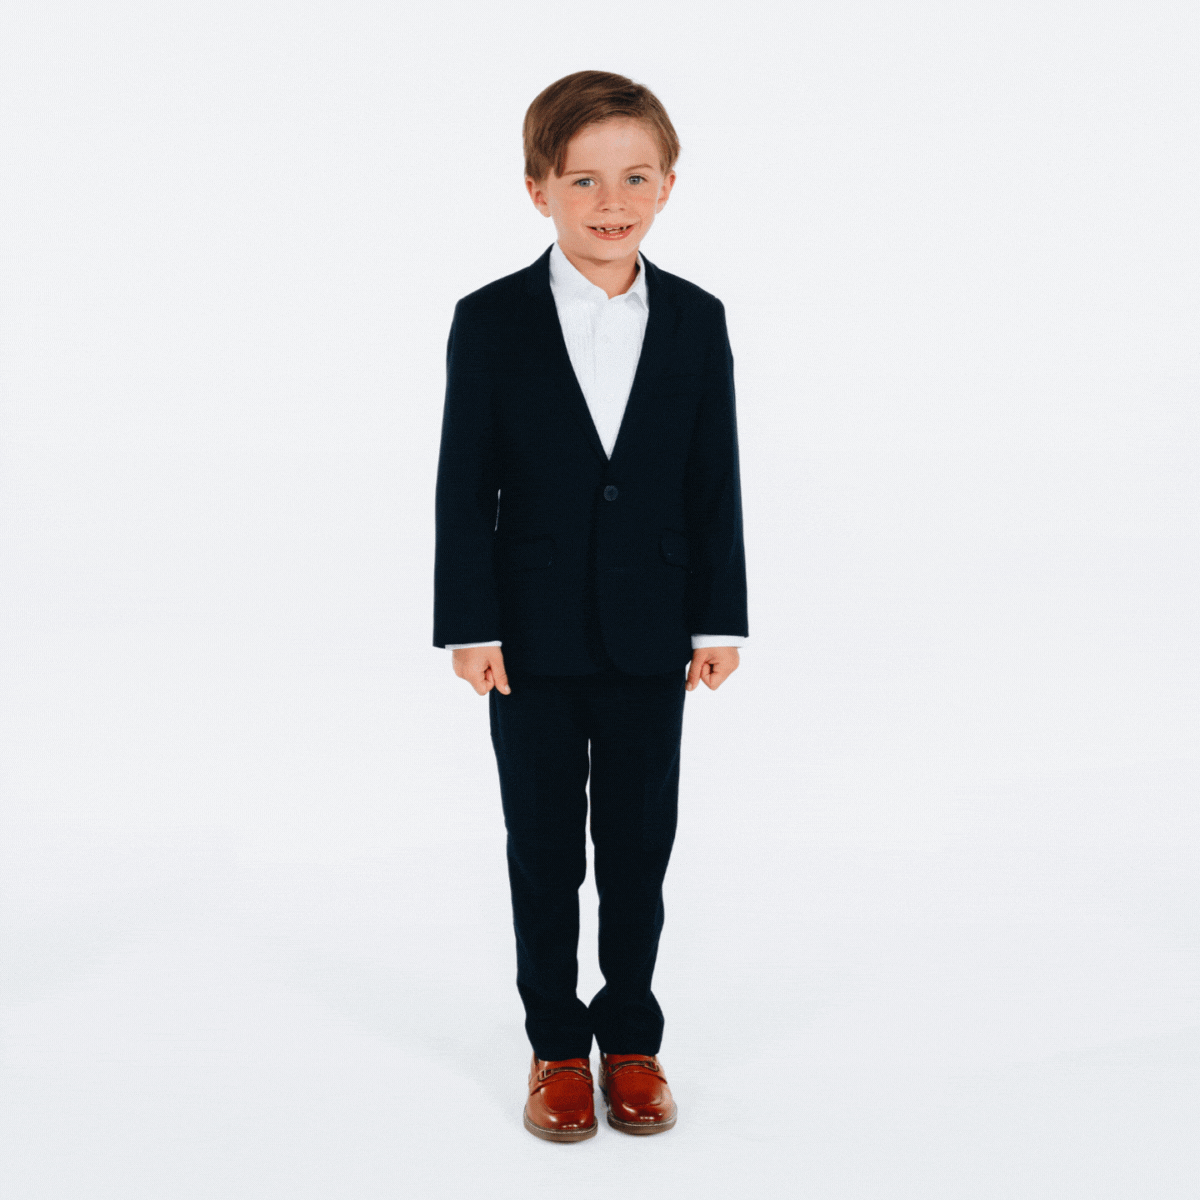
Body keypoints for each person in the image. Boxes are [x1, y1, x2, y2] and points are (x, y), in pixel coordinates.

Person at [432, 69, 749, 1142]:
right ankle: (556, 1046)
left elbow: (715, 476)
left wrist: (719, 620)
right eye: (583, 180)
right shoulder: (490, 321)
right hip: (526, 638)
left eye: (634, 176)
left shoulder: (699, 320)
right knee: (543, 852)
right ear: (538, 190)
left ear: (666, 185)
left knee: (637, 845)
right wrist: (470, 626)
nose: (611, 200)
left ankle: (633, 1041)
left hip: (655, 635)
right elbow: (463, 484)